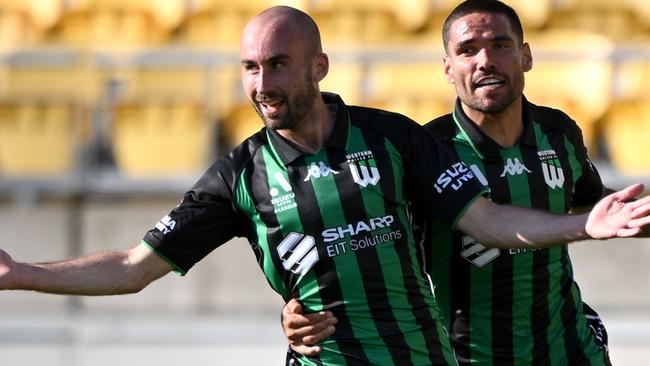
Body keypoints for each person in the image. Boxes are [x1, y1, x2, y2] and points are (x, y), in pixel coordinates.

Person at [1, 5, 649, 366]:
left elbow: (485, 219)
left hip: (492, 354)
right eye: (251, 68)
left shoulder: (397, 141)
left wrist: (583, 227)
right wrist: (21, 273)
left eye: (277, 64)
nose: (262, 82)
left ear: (318, 67)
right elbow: (135, 266)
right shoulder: (240, 177)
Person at [280, 1, 648, 365]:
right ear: (448, 68)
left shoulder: (559, 132)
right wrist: (298, 309)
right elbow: (361, 244)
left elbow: (593, 203)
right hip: (463, 356)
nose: (484, 60)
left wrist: (634, 214)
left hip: (569, 349)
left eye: (500, 45)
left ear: (526, 57)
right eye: (467, 50)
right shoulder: (423, 151)